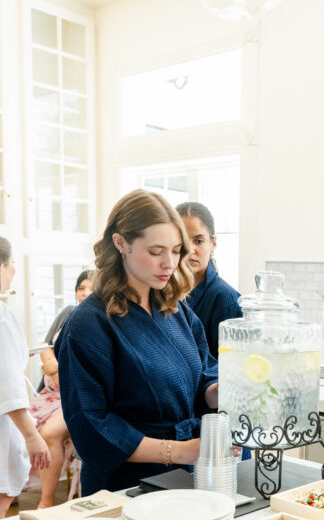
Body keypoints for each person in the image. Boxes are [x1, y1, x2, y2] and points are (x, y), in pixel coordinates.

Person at [57, 190, 218, 495]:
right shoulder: (89, 324)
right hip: (125, 485)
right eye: (156, 251)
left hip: (184, 476)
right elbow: (93, 425)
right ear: (121, 243)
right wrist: (180, 451)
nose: (169, 263)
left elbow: (204, 373)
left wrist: (222, 391)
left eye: (175, 250)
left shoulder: (176, 308)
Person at [0, 237, 50, 520]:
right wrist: (32, 435)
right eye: (12, 262)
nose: (14, 269)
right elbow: (6, 384)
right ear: (0, 267)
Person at [29, 269, 93, 507]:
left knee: (48, 433)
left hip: (77, 395)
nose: (85, 293)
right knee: (14, 426)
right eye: (81, 288)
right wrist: (52, 366)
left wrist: (60, 368)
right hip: (50, 393)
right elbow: (46, 347)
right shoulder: (68, 313)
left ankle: (46, 501)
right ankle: (7, 491)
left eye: (91, 289)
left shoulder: (103, 318)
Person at [176, 201, 241, 357]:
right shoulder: (160, 292)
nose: (190, 250)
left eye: (198, 241)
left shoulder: (226, 299)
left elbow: (231, 367)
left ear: (213, 243)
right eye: (183, 241)